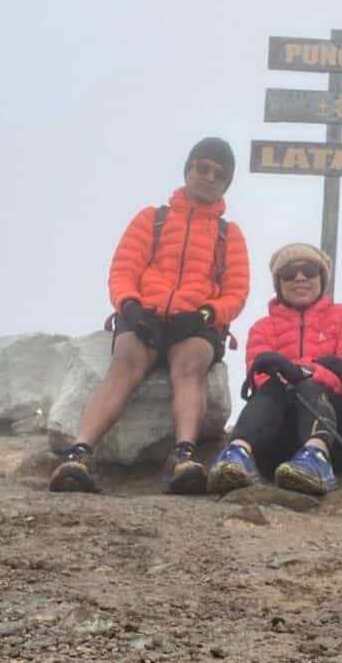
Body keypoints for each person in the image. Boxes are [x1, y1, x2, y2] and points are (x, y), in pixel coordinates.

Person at [49, 137, 250, 495]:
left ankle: (183, 454)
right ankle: (79, 453)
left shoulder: (228, 234)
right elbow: (123, 268)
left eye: (218, 173)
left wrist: (207, 314)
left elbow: (236, 290)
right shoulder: (152, 218)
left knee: (191, 366)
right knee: (125, 363)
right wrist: (128, 305)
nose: (208, 177)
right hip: (146, 312)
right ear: (188, 169)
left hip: (196, 321)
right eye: (201, 167)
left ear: (226, 184)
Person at [207, 243, 342, 497]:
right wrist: (305, 371)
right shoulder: (262, 328)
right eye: (289, 274)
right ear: (278, 283)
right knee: (272, 388)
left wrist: (302, 371)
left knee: (306, 383)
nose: (300, 277)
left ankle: (316, 456)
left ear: (322, 278)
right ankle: (237, 453)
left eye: (309, 270)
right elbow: (259, 381)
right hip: (282, 438)